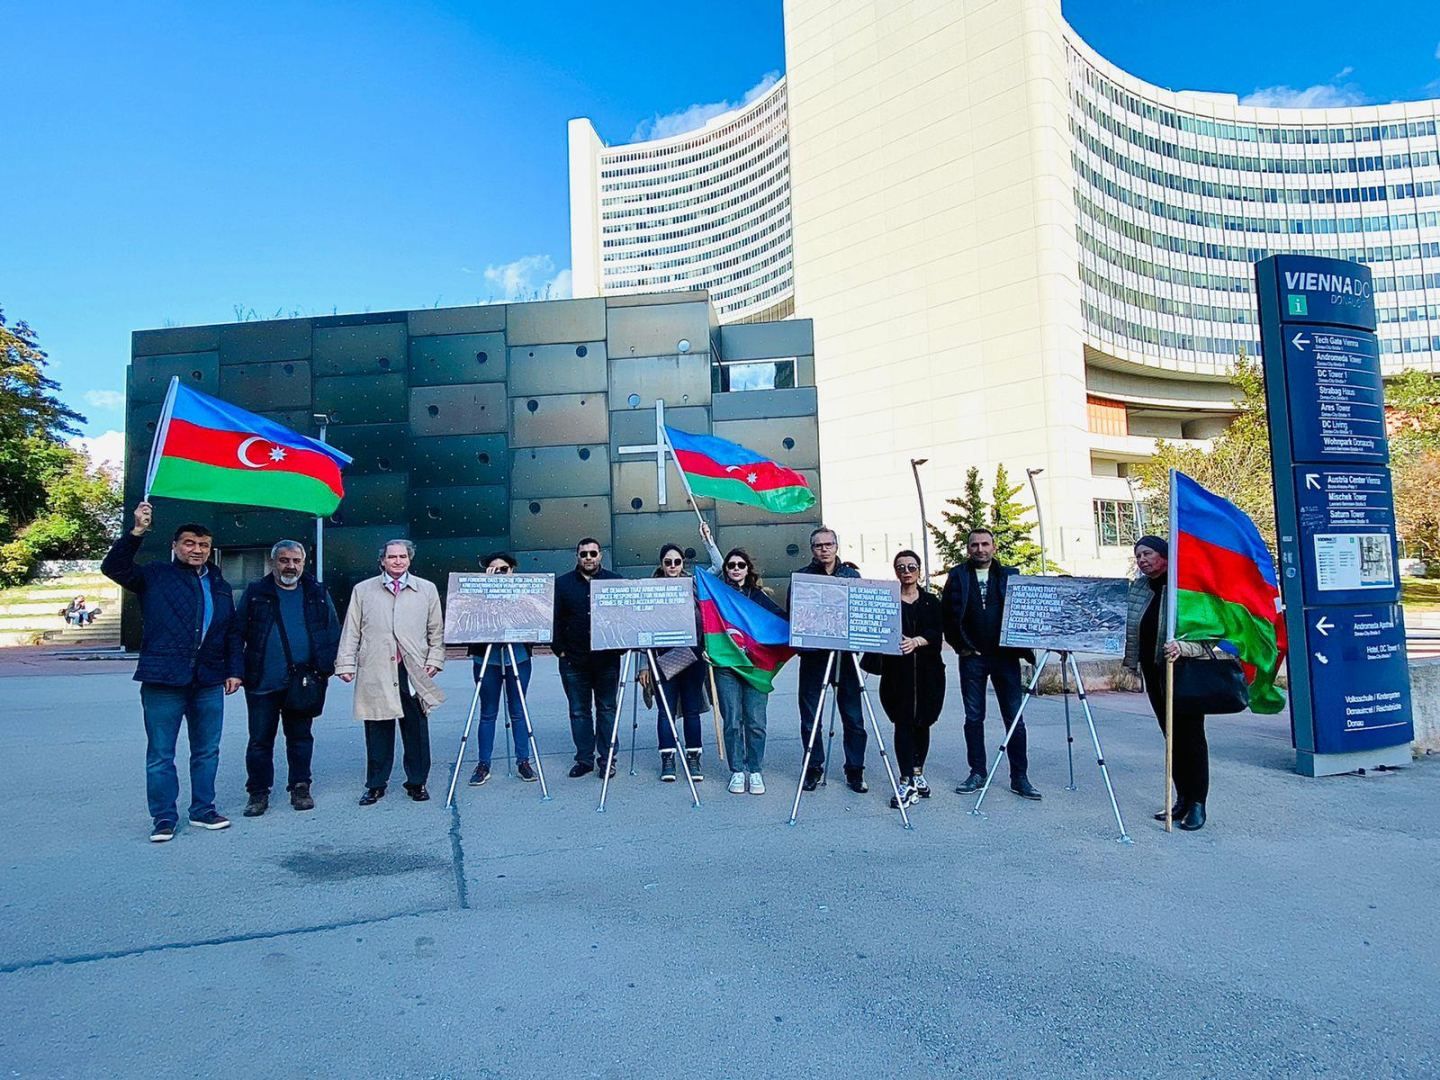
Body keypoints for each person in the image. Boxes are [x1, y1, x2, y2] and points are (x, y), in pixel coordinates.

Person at [102, 502, 243, 842]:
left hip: (208, 679)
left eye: (204, 545)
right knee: (161, 753)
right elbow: (114, 567)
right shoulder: (154, 575)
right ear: (175, 546)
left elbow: (231, 631)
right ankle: (164, 818)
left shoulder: (219, 583)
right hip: (163, 678)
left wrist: (234, 670)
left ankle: (203, 810)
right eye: (190, 543)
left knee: (207, 749)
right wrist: (136, 531)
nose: (197, 550)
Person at [335, 539, 446, 805]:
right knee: (377, 728)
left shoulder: (426, 590)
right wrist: (345, 664)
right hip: (376, 667)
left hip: (412, 669)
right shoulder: (363, 590)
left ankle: (417, 782)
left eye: (402, 556)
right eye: (392, 557)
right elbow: (351, 630)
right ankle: (375, 784)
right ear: (382, 560)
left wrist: (435, 659)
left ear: (410, 559)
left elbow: (436, 630)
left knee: (416, 728)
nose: (397, 561)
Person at [236, 540, 340, 816]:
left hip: (304, 681)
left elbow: (331, 630)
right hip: (262, 680)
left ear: (303, 563)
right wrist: (235, 671)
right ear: (273, 562)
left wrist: (325, 668)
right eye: (284, 560)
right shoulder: (257, 592)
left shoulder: (316, 592)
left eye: (296, 561)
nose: (290, 566)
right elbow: (237, 633)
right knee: (259, 740)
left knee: (301, 737)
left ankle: (300, 786)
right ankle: (258, 793)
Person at [941, 527, 1042, 801]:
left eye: (985, 544)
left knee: (1014, 719)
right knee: (974, 718)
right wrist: (962, 647)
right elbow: (948, 615)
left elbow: (1027, 611)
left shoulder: (1010, 575)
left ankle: (1019, 776)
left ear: (994, 547)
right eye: (975, 545)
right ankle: (977, 772)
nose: (980, 549)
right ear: (968, 549)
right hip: (973, 658)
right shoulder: (958, 575)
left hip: (1005, 658)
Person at [1123, 535, 1213, 831]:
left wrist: (1182, 648)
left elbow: (1207, 637)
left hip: (1183, 672)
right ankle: (1182, 798)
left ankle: (1198, 803)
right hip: (1154, 672)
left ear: (1164, 554)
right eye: (1138, 556)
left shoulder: (1185, 589)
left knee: (1191, 739)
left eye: (1148, 553)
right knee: (1171, 736)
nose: (1142, 560)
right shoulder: (1139, 588)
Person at [700, 524, 784, 795]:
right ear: (725, 570)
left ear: (748, 569)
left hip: (755, 668)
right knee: (732, 720)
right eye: (731, 565)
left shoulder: (760, 598)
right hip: (726, 666)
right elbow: (707, 623)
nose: (735, 568)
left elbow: (780, 627)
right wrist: (709, 542)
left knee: (756, 722)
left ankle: (755, 770)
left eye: (740, 565)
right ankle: (737, 770)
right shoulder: (717, 594)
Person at [790, 526, 868, 793]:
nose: (824, 549)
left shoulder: (851, 575)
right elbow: (794, 615)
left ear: (836, 546)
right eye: (818, 545)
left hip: (845, 658)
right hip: (814, 656)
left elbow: (861, 612)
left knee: (853, 717)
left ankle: (855, 770)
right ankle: (813, 767)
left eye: (828, 544)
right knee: (811, 716)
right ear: (812, 549)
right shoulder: (802, 577)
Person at [877, 550, 946, 809]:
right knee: (902, 723)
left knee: (923, 722)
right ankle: (905, 777)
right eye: (901, 567)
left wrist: (917, 641)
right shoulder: (888, 601)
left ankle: (918, 772)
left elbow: (937, 631)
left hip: (928, 673)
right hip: (898, 673)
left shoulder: (931, 601)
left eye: (911, 567)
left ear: (919, 570)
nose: (907, 572)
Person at [553, 537, 623, 778]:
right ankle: (584, 759)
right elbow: (555, 619)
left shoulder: (615, 582)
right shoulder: (562, 585)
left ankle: (607, 759)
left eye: (593, 553)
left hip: (607, 661)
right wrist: (559, 649)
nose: (589, 558)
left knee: (607, 709)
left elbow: (625, 617)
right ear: (577, 557)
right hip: (574, 661)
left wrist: (620, 648)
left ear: (600, 555)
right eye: (584, 554)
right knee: (579, 711)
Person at [639, 542, 708, 782]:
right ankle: (668, 759)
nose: (672, 566)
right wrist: (643, 664)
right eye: (668, 562)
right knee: (665, 711)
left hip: (692, 654)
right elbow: (642, 628)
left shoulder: (695, 584)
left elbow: (720, 567)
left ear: (683, 564)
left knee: (691, 709)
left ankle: (693, 758)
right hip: (662, 657)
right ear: (661, 564)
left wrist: (707, 541)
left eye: (677, 561)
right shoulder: (650, 588)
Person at [467, 552, 538, 786]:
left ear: (512, 571)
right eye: (494, 569)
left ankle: (523, 760)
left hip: (517, 657)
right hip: (486, 659)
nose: (500, 573)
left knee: (518, 709)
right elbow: (469, 619)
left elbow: (533, 616)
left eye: (504, 569)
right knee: (488, 712)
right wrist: (486, 589)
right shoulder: (476, 594)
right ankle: (483, 763)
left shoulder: (524, 593)